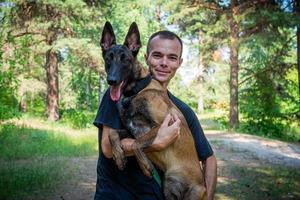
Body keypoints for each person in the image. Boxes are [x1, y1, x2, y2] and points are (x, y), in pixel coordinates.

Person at [94, 30, 217, 200]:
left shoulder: (182, 110)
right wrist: (155, 143)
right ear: (146, 57)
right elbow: (108, 149)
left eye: (172, 58)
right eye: (157, 55)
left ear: (179, 63)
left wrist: (207, 197)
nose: (164, 63)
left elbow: (209, 158)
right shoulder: (118, 92)